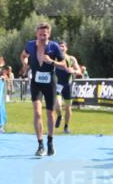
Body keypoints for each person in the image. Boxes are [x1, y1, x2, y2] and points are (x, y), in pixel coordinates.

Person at [20, 22, 67, 157]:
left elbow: (64, 64)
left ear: (49, 34)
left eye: (44, 34)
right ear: (37, 34)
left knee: (49, 114)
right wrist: (25, 63)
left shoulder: (54, 46)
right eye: (40, 34)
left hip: (50, 82)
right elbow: (23, 55)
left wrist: (51, 62)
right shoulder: (30, 45)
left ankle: (50, 142)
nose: (42, 37)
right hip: (36, 82)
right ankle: (40, 145)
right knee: (37, 113)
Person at [54, 39, 80, 134]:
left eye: (63, 46)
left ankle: (66, 127)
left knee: (68, 108)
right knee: (57, 105)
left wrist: (73, 71)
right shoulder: (54, 58)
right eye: (59, 46)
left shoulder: (71, 59)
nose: (61, 48)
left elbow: (79, 71)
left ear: (66, 48)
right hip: (58, 85)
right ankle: (60, 115)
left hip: (67, 85)